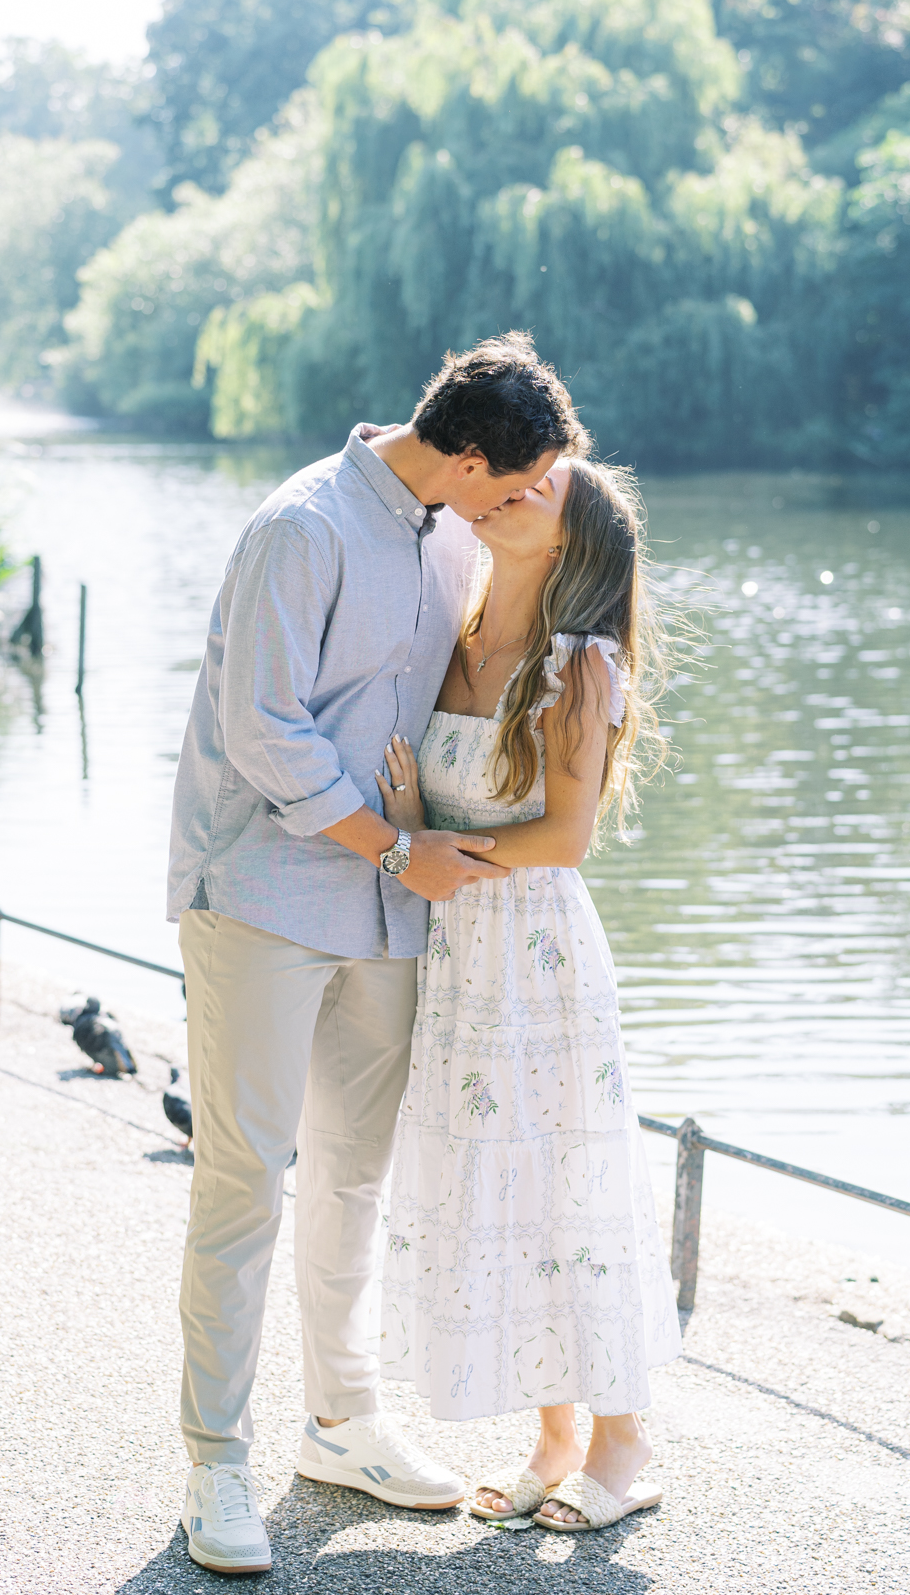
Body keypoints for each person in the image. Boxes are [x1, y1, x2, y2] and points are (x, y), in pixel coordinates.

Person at [167, 331, 588, 1575]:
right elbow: (264, 729)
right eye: (511, 487)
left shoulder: (453, 531)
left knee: (353, 1177)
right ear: (462, 458)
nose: (517, 508)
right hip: (263, 888)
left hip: (387, 906)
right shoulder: (300, 527)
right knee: (243, 1181)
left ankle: (341, 1420)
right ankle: (215, 1459)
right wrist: (396, 849)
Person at [376, 455, 682, 1534]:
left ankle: (622, 1438)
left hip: (535, 957)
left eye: (535, 490)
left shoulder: (577, 663)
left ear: (567, 540)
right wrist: (406, 825)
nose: (507, 489)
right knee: (498, 1192)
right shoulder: (452, 637)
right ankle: (552, 1433)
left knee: (570, 1185)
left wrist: (430, 849)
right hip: (457, 953)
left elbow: (567, 836)